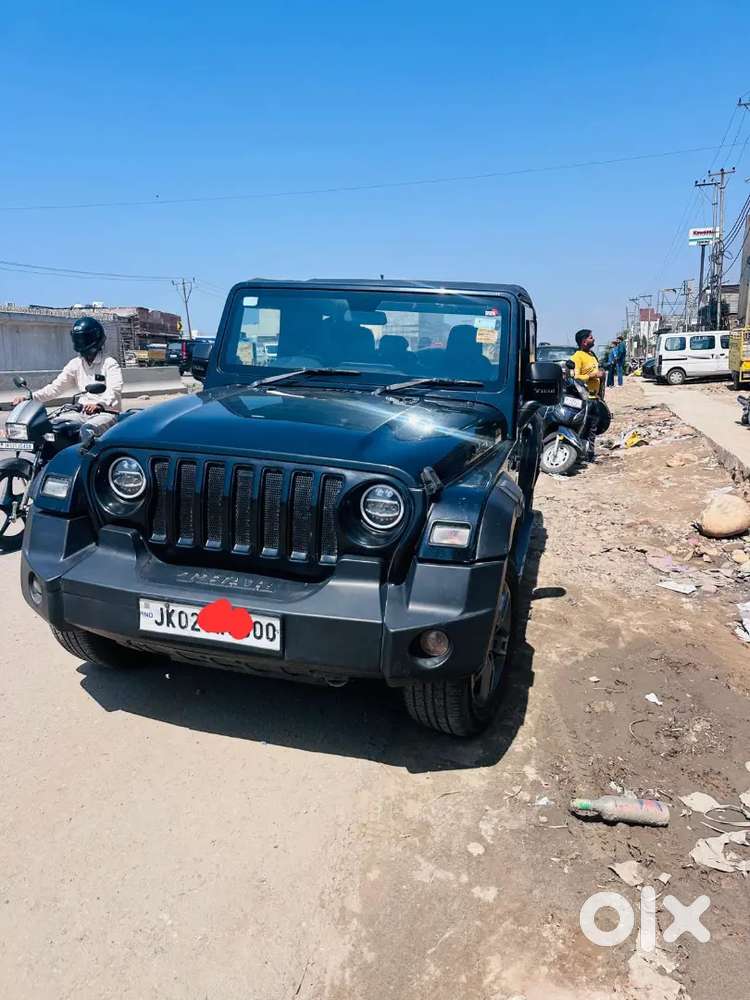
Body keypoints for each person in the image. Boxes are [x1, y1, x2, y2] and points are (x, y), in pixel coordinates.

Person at [12, 317, 123, 437]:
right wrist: (30, 398)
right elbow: (56, 387)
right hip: (81, 413)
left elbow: (114, 390)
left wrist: (100, 405)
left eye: (83, 338)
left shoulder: (109, 363)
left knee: (87, 430)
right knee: (51, 427)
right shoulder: (75, 364)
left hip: (106, 413)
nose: (81, 342)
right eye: (78, 339)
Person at [571, 329, 604, 397]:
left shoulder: (592, 355)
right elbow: (576, 378)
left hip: (595, 396)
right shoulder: (577, 356)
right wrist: (593, 375)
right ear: (584, 342)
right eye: (591, 338)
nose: (594, 339)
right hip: (584, 397)